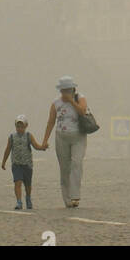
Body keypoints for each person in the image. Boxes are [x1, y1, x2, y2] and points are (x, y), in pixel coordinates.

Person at [39, 76, 88, 209]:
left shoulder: (80, 98)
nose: (65, 92)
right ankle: (67, 199)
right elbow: (50, 122)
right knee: (64, 168)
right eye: (63, 90)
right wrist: (45, 140)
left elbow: (83, 111)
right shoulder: (56, 103)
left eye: (67, 90)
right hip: (61, 137)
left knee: (77, 163)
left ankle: (75, 195)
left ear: (73, 89)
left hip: (78, 137)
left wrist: (72, 101)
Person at [1, 115, 41, 210]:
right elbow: (7, 150)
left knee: (27, 184)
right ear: (15, 126)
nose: (20, 129)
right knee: (17, 182)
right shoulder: (12, 137)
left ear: (26, 126)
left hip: (27, 165)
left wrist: (43, 147)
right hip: (16, 164)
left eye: (22, 127)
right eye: (18, 126)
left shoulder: (28, 136)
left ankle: (28, 198)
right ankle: (19, 201)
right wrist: (3, 162)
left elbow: (36, 145)